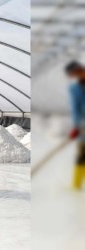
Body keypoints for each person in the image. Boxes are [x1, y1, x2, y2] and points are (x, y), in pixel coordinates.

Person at [66, 60, 85, 190]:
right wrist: (76, 127)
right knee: (82, 155)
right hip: (83, 127)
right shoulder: (75, 89)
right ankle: (76, 185)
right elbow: (75, 109)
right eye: (75, 74)